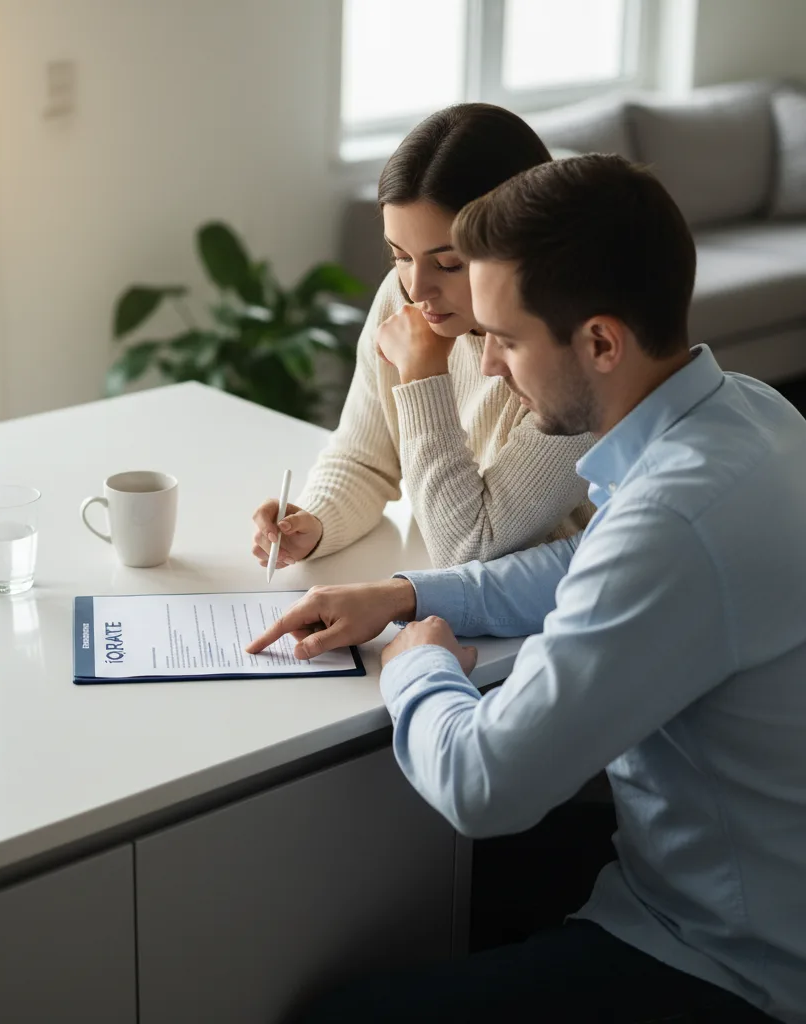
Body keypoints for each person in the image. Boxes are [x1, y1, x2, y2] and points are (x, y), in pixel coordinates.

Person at [251, 155, 806, 1023]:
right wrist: (407, 592)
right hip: (734, 871)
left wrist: (415, 662)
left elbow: (484, 783)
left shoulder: (674, 521)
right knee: (441, 896)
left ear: (599, 342)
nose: (494, 368)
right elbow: (589, 564)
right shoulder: (752, 413)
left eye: (504, 340)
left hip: (725, 955)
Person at [250, 104, 594, 573]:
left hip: (548, 611)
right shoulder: (404, 299)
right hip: (451, 600)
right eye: (400, 256)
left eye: (448, 263)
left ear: (523, 242)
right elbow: (365, 459)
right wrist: (313, 524)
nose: (417, 289)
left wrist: (423, 374)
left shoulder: (571, 354)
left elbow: (469, 546)